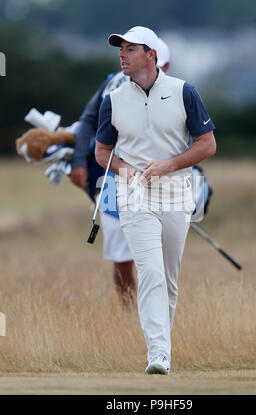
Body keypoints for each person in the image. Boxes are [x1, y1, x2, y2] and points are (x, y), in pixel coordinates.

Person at [95, 26, 216, 375]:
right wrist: (125, 169)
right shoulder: (113, 100)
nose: (122, 54)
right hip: (133, 196)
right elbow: (102, 153)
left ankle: (161, 346)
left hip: (177, 192)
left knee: (169, 278)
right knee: (149, 271)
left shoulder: (183, 92)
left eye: (130, 49)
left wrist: (168, 165)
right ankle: (158, 354)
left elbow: (207, 144)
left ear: (151, 55)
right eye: (121, 49)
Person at [70, 38, 172, 306]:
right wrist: (79, 162)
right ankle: (131, 314)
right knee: (121, 254)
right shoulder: (113, 84)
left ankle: (157, 311)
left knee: (157, 252)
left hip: (156, 178)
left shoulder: (176, 92)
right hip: (112, 179)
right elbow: (87, 121)